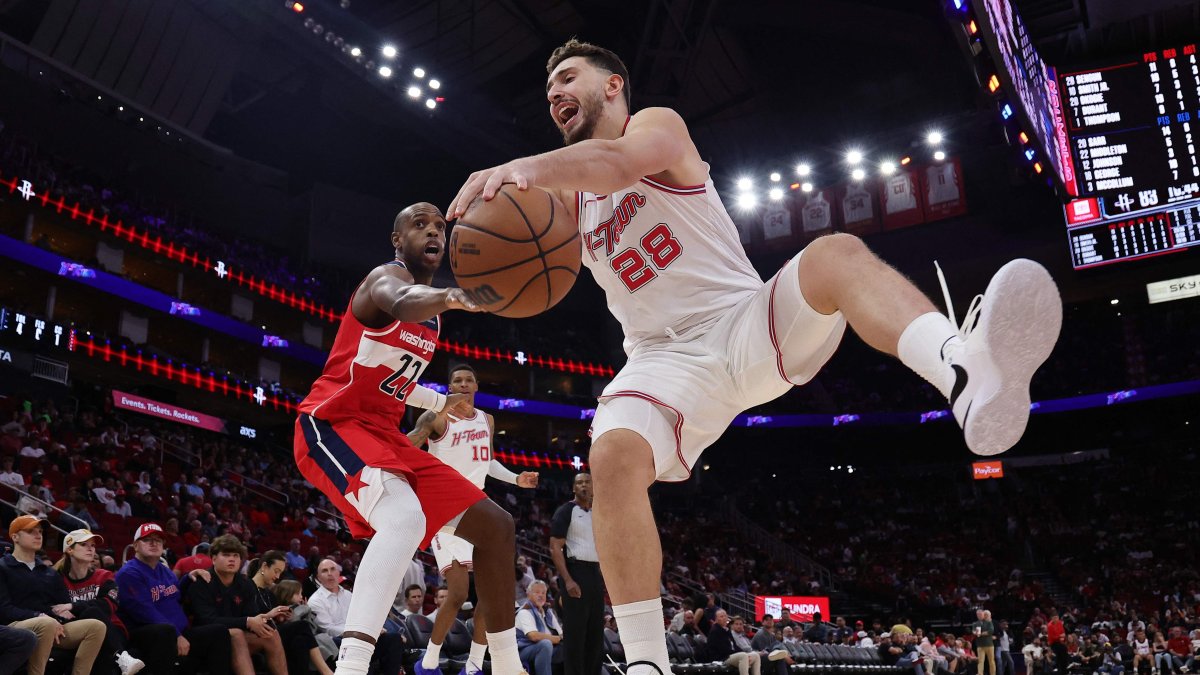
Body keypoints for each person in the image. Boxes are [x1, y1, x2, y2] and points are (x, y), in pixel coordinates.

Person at [446, 39, 1063, 675]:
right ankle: (646, 665)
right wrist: (469, 289)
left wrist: (521, 168)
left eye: (568, 78)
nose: (553, 94)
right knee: (611, 456)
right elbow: (534, 271)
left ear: (612, 86)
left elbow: (613, 160)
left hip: (744, 324)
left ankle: (962, 368)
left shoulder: (655, 127)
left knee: (834, 254)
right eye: (549, 89)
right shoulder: (571, 202)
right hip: (663, 361)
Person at [293, 201, 524, 675]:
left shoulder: (432, 319)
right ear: (398, 239)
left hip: (385, 433)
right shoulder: (385, 280)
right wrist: (455, 296)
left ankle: (505, 665)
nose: (433, 231)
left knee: (497, 527)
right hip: (332, 422)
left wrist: (440, 403)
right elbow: (398, 300)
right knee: (403, 517)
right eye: (420, 225)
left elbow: (389, 377)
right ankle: (352, 667)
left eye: (440, 225)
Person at [406, 361, 541, 675]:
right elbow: (410, 441)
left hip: (477, 509)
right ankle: (427, 663)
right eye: (457, 380)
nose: (463, 384)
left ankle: (474, 666)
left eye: (469, 380)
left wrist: (515, 479)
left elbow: (487, 461)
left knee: (490, 596)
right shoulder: (435, 415)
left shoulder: (487, 420)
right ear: (450, 387)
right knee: (457, 593)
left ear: (476, 387)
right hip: (446, 510)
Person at [115, 522, 234, 675]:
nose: (154, 543)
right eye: (147, 539)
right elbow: (145, 612)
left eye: (158, 540)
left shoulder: (164, 569)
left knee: (219, 632)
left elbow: (174, 595)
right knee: (165, 631)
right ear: (135, 545)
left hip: (176, 631)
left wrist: (188, 578)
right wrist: (176, 635)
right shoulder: (129, 573)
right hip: (147, 634)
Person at [0, 515, 106, 675]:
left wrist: (60, 618)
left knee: (95, 626)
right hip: (13, 625)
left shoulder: (49, 572)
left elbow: (61, 606)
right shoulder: (3, 566)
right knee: (46, 624)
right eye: (31, 531)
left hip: (49, 626)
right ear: (15, 537)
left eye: (40, 531)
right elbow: (4, 609)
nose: (38, 535)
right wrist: (39, 616)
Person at [186, 534, 289, 675]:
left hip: (234, 636)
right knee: (236, 633)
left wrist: (262, 619)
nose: (231, 559)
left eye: (235, 555)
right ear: (214, 558)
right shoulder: (202, 582)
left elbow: (251, 615)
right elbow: (207, 619)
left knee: (271, 634)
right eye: (226, 555)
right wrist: (247, 622)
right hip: (205, 637)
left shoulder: (246, 583)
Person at [52, 529, 145, 675]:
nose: (91, 548)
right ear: (69, 549)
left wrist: (73, 606)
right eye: (84, 544)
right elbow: (58, 610)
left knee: (94, 613)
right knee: (91, 614)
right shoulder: (58, 581)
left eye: (93, 545)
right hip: (80, 632)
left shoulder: (104, 576)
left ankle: (122, 657)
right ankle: (122, 658)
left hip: (113, 630)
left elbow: (108, 605)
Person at [308, 558, 407, 675]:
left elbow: (361, 617)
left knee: (394, 638)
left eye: (332, 569)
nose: (330, 573)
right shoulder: (315, 600)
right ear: (319, 578)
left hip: (359, 636)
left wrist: (371, 629)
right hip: (339, 642)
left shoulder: (349, 595)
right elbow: (328, 628)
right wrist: (358, 632)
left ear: (338, 573)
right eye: (324, 571)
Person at [550, 473, 604, 675]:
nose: (583, 485)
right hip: (575, 572)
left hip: (595, 573)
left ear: (593, 487)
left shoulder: (599, 512)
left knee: (595, 634)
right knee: (575, 635)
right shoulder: (566, 510)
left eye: (588, 482)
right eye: (579, 483)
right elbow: (555, 547)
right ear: (574, 488)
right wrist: (568, 580)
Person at [249, 549, 333, 675]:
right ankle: (326, 672)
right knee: (303, 626)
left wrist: (280, 617)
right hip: (257, 635)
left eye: (280, 573)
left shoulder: (269, 594)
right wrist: (270, 615)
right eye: (276, 571)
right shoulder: (247, 588)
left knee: (300, 641)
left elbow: (273, 619)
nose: (277, 577)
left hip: (273, 632)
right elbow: (249, 616)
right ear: (264, 566)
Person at [516, 580, 563, 675]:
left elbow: (560, 633)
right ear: (528, 594)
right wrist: (558, 639)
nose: (541, 595)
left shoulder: (548, 611)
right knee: (545, 644)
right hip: (526, 650)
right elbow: (534, 636)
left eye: (543, 593)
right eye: (537, 592)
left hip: (550, 647)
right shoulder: (524, 612)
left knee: (572, 645)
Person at [708, 609, 760, 675]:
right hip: (722, 658)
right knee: (743, 656)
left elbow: (734, 646)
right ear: (716, 619)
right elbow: (724, 649)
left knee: (755, 655)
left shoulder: (726, 629)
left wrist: (744, 653)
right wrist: (743, 654)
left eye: (725, 616)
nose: (724, 618)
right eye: (721, 616)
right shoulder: (715, 631)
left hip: (730, 655)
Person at [974, 609, 996, 675]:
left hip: (989, 645)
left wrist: (981, 633)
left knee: (991, 661)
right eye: (978, 614)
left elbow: (991, 631)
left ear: (983, 615)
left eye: (981, 614)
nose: (979, 615)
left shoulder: (989, 622)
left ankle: (993, 674)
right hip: (980, 645)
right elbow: (977, 633)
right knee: (980, 661)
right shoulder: (976, 623)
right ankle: (980, 673)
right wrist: (980, 633)